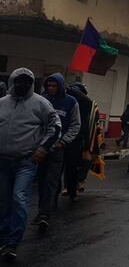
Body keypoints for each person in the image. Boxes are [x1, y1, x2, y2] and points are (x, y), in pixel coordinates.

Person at [0, 68, 61, 261]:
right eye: (19, 81)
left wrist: (43, 149)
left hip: (26, 161)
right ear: (12, 82)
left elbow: (55, 126)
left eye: (27, 82)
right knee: (3, 201)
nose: (22, 85)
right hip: (3, 161)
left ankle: (12, 241)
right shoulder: (2, 103)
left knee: (18, 197)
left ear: (32, 83)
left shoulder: (41, 104)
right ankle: (3, 236)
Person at [33, 74, 81, 231]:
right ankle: (44, 207)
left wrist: (63, 142)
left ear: (60, 86)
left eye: (54, 86)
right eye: (49, 85)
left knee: (51, 180)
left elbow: (75, 124)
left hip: (58, 149)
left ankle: (44, 214)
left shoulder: (70, 102)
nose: (51, 88)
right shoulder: (41, 100)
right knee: (40, 180)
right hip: (41, 148)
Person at [64, 82, 95, 195]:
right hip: (72, 136)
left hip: (82, 136)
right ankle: (71, 185)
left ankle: (78, 181)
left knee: (84, 160)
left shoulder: (85, 104)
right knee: (71, 163)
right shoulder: (67, 102)